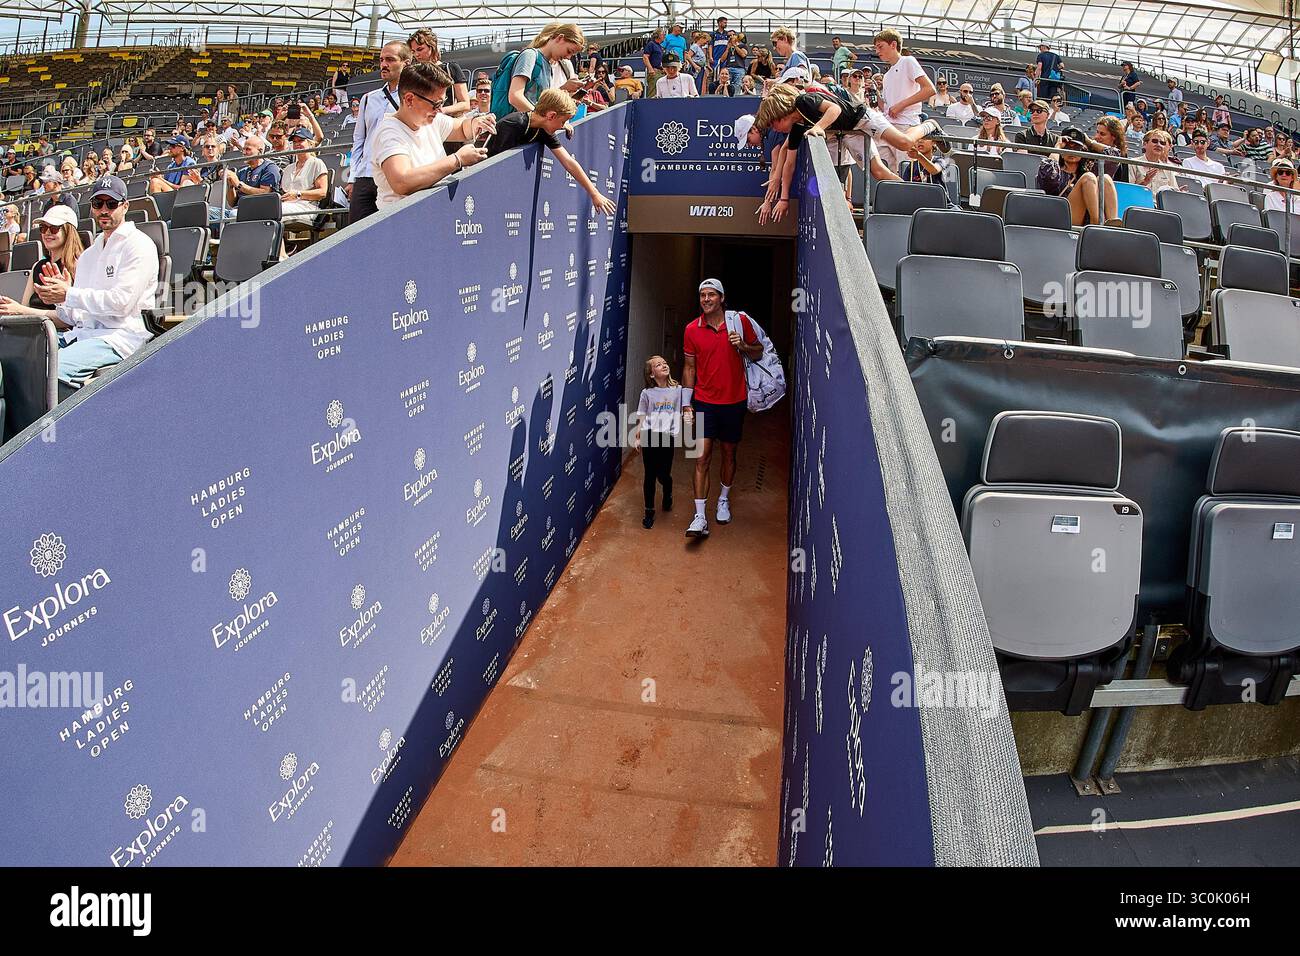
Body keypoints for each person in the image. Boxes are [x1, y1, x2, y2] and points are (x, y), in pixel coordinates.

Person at [25, 176, 155, 389]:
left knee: (50, 369)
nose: (104, 210)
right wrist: (59, 298)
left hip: (119, 337)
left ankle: (52, 422)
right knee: (19, 359)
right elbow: (75, 317)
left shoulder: (138, 245)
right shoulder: (89, 255)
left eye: (111, 204)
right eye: (98, 204)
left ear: (125, 206)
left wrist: (69, 294)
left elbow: (121, 303)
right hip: (83, 334)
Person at [751, 84, 948, 223]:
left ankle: (930, 125)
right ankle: (916, 197)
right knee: (878, 172)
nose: (774, 130)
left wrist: (819, 126)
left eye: (773, 124)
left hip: (862, 119)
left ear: (780, 113)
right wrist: (783, 197)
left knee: (904, 143)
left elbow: (834, 109)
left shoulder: (804, 101)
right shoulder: (797, 128)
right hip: (846, 134)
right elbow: (789, 163)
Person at [682, 279, 761, 539]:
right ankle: (699, 516)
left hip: (734, 402)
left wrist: (743, 346)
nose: (706, 299)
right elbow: (689, 368)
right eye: (702, 295)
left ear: (721, 298)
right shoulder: (692, 329)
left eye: (711, 295)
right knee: (701, 458)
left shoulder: (739, 322)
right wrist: (686, 403)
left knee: (729, 453)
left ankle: (724, 499)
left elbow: (759, 352)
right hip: (705, 402)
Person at [371, 62, 493, 207]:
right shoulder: (389, 133)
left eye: (442, 103)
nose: (440, 110)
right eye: (436, 104)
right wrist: (457, 160)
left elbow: (461, 128)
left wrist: (477, 122)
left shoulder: (430, 119)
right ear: (409, 99)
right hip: (403, 222)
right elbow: (402, 182)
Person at [483, 89, 615, 213]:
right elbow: (495, 164)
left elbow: (569, 162)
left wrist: (594, 193)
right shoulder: (513, 124)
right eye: (563, 121)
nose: (562, 126)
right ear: (551, 115)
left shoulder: (543, 129)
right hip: (487, 185)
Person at [350, 40, 410, 225]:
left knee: (393, 232)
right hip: (365, 176)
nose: (384, 65)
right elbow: (359, 139)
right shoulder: (368, 98)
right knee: (356, 235)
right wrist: (354, 176)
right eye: (382, 60)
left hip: (393, 176)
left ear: (406, 63)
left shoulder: (414, 98)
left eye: (390, 60)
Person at [633, 355, 685, 529]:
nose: (664, 365)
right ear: (651, 374)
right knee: (649, 474)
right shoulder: (647, 393)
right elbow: (642, 414)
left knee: (663, 474)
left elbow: (686, 407)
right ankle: (649, 511)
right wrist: (638, 436)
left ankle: (667, 490)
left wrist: (689, 414)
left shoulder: (678, 390)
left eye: (664, 362)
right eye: (658, 364)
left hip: (667, 436)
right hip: (650, 434)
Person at [0, 203, 81, 314]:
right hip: (31, 327)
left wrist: (20, 310)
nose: (47, 233)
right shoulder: (38, 266)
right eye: (43, 228)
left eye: (54, 228)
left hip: (58, 330)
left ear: (68, 232)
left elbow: (71, 318)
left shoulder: (78, 265)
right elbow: (25, 305)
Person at [874, 28, 935, 170]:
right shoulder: (887, 75)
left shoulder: (908, 61)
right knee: (887, 172)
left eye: (880, 46)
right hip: (889, 128)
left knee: (906, 173)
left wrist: (901, 105)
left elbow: (929, 89)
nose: (877, 51)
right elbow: (889, 107)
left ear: (893, 45)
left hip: (906, 127)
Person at [1038, 126, 1118, 226]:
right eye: (1067, 148)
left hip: (1084, 219)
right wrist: (1057, 146)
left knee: (1105, 178)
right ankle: (1097, 224)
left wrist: (1090, 142)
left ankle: (1113, 224)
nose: (1072, 151)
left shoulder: (1089, 171)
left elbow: (1114, 156)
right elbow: (1047, 173)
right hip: (1062, 218)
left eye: (1076, 148)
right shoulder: (1057, 172)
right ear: (1062, 153)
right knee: (1088, 178)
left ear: (1082, 151)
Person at [508, 23, 585, 115]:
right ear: (560, 38)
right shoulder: (530, 55)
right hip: (517, 125)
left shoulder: (547, 65)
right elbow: (515, 96)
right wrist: (543, 120)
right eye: (569, 51)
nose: (568, 57)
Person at [214, 135, 280, 223]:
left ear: (260, 151)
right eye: (243, 149)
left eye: (248, 149)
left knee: (233, 215)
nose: (244, 152)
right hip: (237, 209)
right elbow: (232, 203)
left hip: (257, 211)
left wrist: (238, 184)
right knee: (206, 213)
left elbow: (265, 193)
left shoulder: (269, 168)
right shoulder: (243, 171)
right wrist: (231, 185)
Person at [408, 28, 469, 114]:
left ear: (432, 47)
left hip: (447, 121)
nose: (416, 54)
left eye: (420, 49)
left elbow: (465, 104)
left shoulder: (450, 68)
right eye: (413, 51)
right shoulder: (415, 72)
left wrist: (441, 111)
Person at [280, 126, 329, 226]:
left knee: (276, 212)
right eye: (294, 142)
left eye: (301, 141)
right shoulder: (289, 168)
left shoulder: (317, 163)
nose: (297, 144)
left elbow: (322, 192)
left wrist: (298, 194)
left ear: (310, 143)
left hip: (307, 207)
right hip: (287, 205)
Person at [1132, 130, 1181, 194]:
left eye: (1162, 143)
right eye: (1155, 141)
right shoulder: (1133, 163)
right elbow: (1128, 192)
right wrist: (1144, 182)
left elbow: (1174, 192)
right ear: (1144, 144)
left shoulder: (1168, 169)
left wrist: (1178, 193)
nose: (1158, 145)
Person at [642, 29, 665, 98]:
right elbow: (645, 57)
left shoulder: (659, 46)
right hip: (654, 71)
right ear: (657, 36)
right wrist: (650, 69)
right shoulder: (651, 44)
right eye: (663, 34)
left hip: (660, 71)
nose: (664, 36)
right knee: (653, 92)